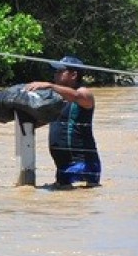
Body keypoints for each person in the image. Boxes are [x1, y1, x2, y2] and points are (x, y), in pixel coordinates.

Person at [25, 56, 100, 189]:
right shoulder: (58, 100)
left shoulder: (84, 93)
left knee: (82, 201)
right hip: (63, 165)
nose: (55, 74)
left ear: (73, 75)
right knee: (62, 204)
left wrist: (50, 86)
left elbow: (76, 96)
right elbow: (50, 119)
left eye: (60, 71)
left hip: (82, 163)